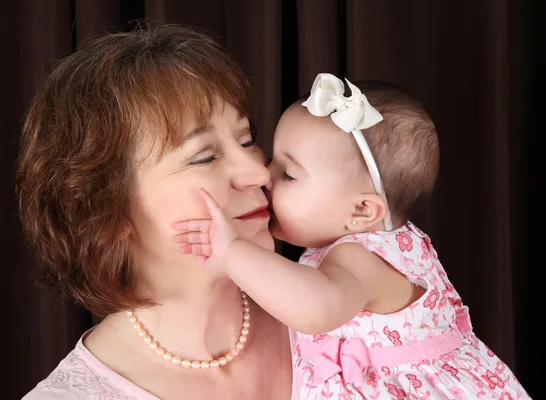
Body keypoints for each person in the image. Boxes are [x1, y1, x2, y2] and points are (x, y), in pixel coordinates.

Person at [175, 73, 531, 399]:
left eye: (289, 174)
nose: (265, 176)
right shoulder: (394, 240)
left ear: (361, 212)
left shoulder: (360, 258)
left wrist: (231, 253)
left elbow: (317, 309)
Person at [17, 24, 294, 399]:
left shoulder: (350, 309)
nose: (259, 172)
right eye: (204, 157)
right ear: (107, 212)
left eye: (247, 140)